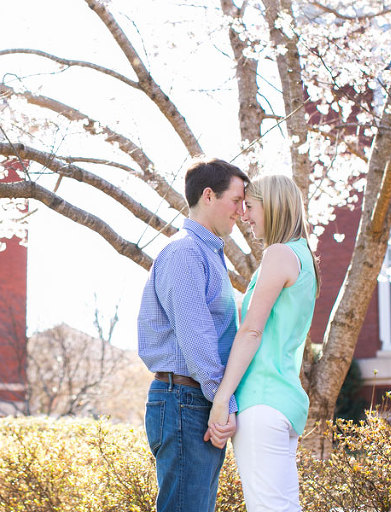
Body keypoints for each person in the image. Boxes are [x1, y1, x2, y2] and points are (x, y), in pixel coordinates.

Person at [137, 157, 249, 512]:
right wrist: (224, 402)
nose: (241, 211)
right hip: (185, 399)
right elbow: (196, 339)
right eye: (236, 200)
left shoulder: (209, 254)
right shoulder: (186, 252)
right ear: (208, 196)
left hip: (193, 399)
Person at [207, 174, 320, 511]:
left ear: (272, 206)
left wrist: (222, 399)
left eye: (251, 206)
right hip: (283, 402)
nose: (244, 214)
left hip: (262, 401)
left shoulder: (279, 254)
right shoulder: (303, 257)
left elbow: (251, 331)